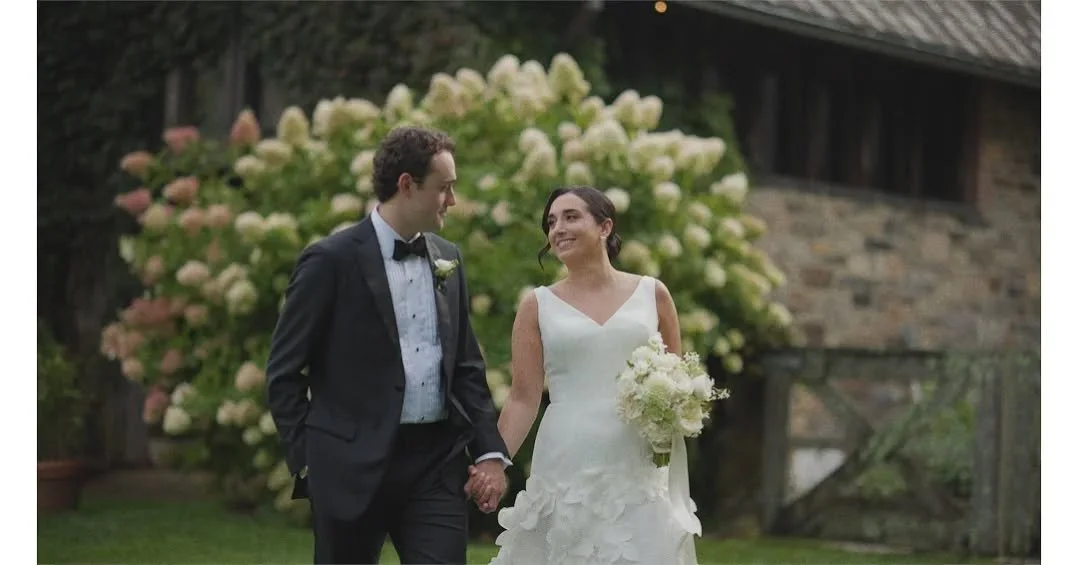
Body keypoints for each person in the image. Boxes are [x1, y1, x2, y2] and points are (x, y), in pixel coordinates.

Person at [265, 126, 510, 565]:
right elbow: (284, 371)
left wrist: (489, 452)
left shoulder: (447, 257)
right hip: (349, 466)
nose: (452, 201)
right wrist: (311, 459)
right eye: (444, 188)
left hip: (436, 464)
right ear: (407, 185)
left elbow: (467, 366)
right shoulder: (330, 261)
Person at [472, 186, 701, 565]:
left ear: (604, 227)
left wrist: (673, 406)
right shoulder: (536, 305)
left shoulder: (653, 294)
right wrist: (493, 464)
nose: (558, 228)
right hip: (567, 455)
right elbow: (523, 398)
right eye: (551, 222)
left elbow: (679, 379)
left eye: (571, 216)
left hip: (634, 458)